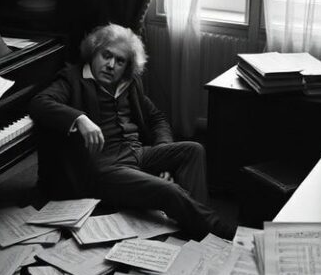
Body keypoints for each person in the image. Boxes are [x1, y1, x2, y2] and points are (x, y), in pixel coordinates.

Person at [28, 23, 234, 240]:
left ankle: (194, 223)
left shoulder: (128, 83)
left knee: (194, 150)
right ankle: (216, 230)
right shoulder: (72, 78)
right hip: (103, 167)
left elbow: (157, 118)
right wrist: (80, 119)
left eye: (120, 61)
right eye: (106, 55)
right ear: (93, 52)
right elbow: (39, 102)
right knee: (169, 191)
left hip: (136, 154)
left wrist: (163, 151)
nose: (110, 65)